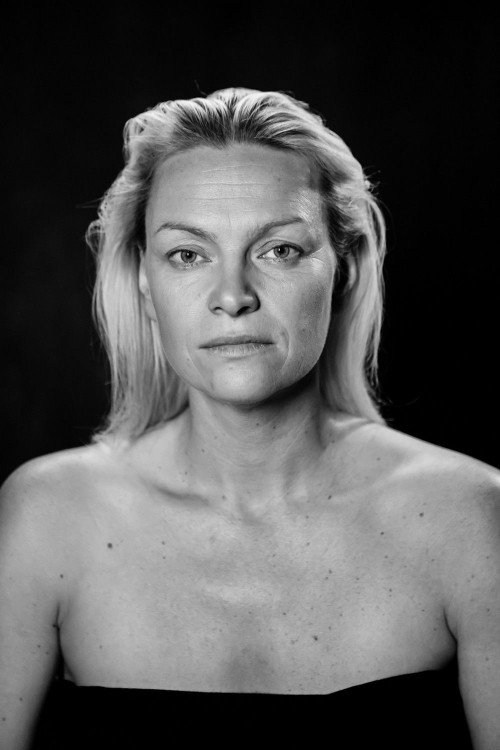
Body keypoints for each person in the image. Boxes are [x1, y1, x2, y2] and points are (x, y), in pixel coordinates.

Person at [0, 88, 498, 750]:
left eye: (279, 250)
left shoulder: (470, 519)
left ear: (346, 270)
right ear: (145, 281)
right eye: (188, 254)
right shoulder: (49, 518)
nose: (232, 296)